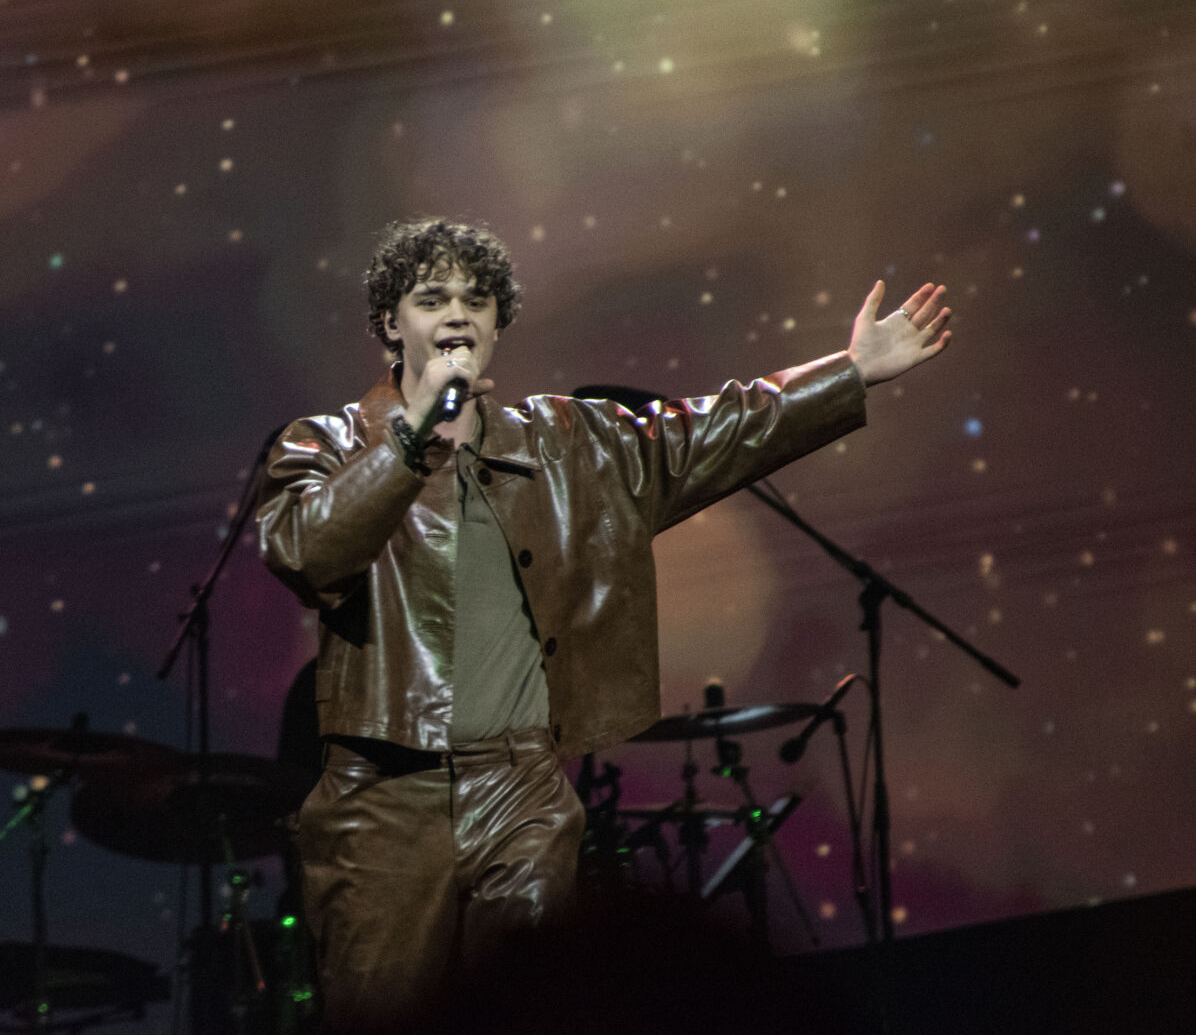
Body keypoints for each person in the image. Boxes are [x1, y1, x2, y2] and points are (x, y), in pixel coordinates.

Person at [255, 219, 950, 1031]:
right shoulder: (329, 442)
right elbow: (305, 554)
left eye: (477, 300)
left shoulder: (569, 441)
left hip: (520, 787)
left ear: (498, 323)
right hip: (383, 796)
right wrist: (409, 440)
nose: (457, 315)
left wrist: (849, 373)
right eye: (431, 298)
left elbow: (715, 428)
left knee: (533, 1012)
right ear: (389, 322)